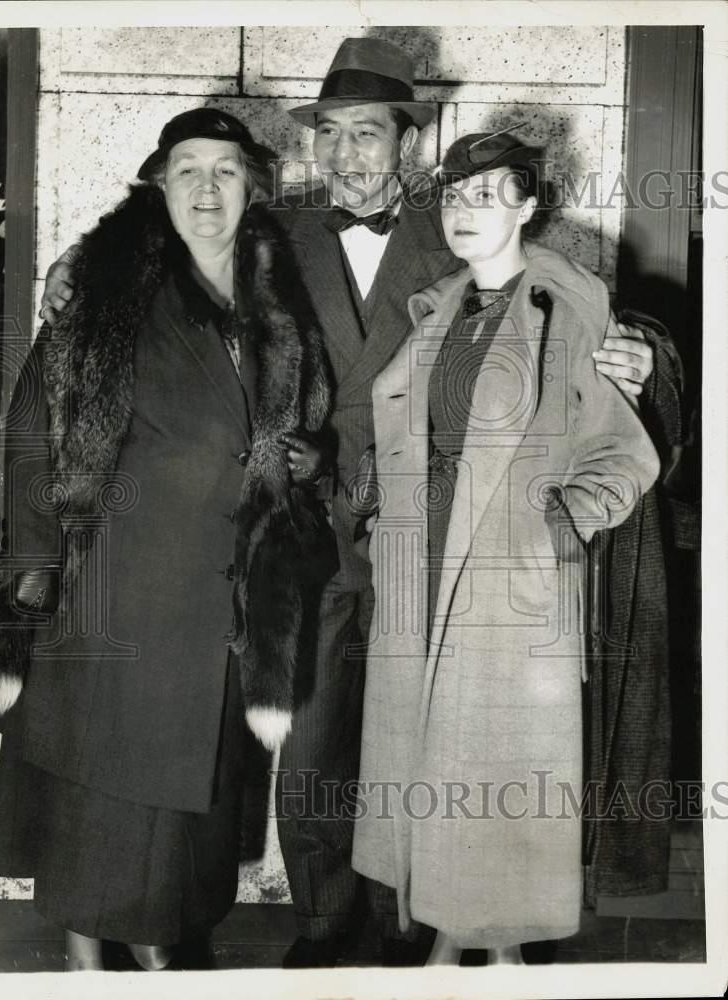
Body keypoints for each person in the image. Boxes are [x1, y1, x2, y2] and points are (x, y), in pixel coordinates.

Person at [37, 36, 657, 968]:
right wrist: (76, 272)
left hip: (436, 535)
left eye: (368, 135)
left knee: (438, 735)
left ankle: (423, 923)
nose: (348, 156)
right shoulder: (270, 230)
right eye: (330, 136)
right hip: (311, 532)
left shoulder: (455, 221)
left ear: (407, 142)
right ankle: (325, 928)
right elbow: (162, 247)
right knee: (316, 741)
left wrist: (645, 347)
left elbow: (552, 299)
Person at [0, 107, 332, 971]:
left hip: (228, 594)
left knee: (190, 804)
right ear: (158, 184)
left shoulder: (276, 297)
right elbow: (34, 422)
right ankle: (83, 959)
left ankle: (158, 943)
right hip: (120, 584)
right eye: (188, 170)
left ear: (253, 184)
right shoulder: (106, 290)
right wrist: (35, 572)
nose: (207, 188)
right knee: (97, 784)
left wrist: (310, 452)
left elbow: (309, 411)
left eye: (225, 169)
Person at [351, 130, 661, 965]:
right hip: (423, 566)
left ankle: (503, 953)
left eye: (489, 194)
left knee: (497, 779)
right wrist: (383, 521)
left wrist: (559, 525)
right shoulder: (440, 307)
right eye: (455, 195)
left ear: (529, 206)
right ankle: (451, 940)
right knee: (435, 765)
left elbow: (627, 453)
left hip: (511, 577)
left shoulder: (570, 309)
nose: (465, 210)